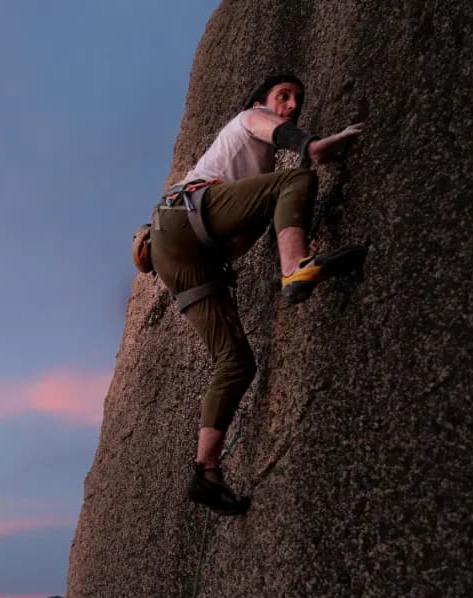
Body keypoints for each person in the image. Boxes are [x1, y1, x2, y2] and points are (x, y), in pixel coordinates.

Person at [146, 73, 367, 516]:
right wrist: (315, 146)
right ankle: (295, 269)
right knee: (297, 181)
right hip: (185, 216)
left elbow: (240, 242)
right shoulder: (250, 118)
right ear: (261, 102)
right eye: (282, 96)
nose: (291, 105)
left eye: (297, 100)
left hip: (179, 252)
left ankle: (206, 471)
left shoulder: (253, 177)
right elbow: (284, 136)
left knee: (236, 364)